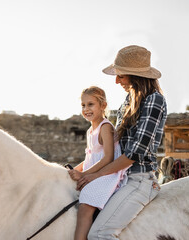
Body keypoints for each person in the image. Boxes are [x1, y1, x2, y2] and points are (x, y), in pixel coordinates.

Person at [83, 45, 167, 239]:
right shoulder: (128, 101)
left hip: (139, 179)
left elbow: (135, 153)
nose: (116, 80)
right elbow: (115, 147)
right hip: (119, 177)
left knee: (99, 234)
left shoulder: (155, 100)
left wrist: (95, 175)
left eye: (121, 75)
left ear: (135, 75)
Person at [68, 86, 129, 240]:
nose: (86, 109)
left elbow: (107, 158)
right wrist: (72, 170)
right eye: (83, 105)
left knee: (85, 207)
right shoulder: (90, 130)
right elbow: (90, 157)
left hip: (108, 174)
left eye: (90, 104)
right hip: (93, 172)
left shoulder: (105, 127)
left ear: (103, 106)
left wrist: (83, 174)